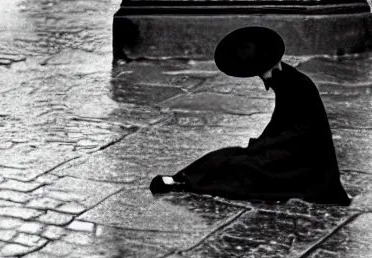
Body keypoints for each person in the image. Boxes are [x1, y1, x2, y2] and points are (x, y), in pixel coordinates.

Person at [149, 26, 351, 206]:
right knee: (230, 154)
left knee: (243, 166)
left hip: (302, 160)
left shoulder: (297, 85)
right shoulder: (285, 80)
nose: (261, 76)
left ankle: (186, 184)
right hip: (286, 147)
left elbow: (302, 133)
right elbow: (281, 122)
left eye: (260, 71)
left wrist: (265, 145)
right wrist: (264, 143)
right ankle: (182, 178)